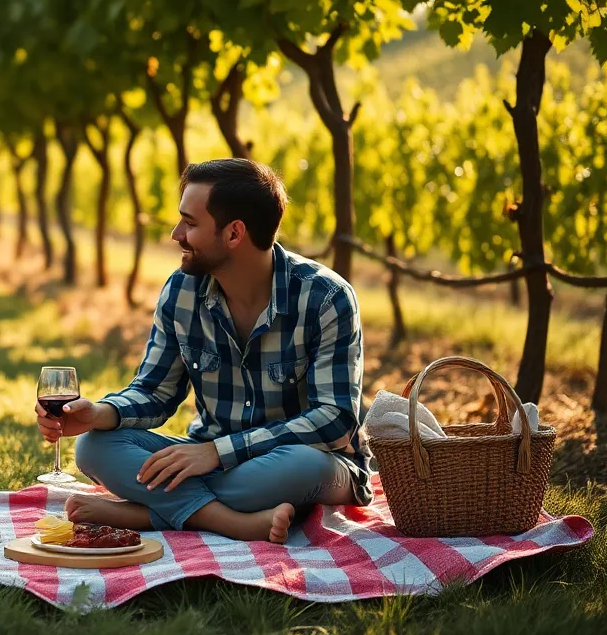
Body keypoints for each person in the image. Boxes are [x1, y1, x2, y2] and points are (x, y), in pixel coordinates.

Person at [36, 158, 371, 543]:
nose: (176, 234)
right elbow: (155, 391)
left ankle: (147, 513)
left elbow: (334, 420)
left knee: (301, 467)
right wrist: (101, 413)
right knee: (94, 446)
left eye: (190, 224)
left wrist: (218, 452)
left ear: (234, 233)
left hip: (304, 460)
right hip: (208, 456)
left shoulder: (326, 297)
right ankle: (230, 520)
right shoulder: (182, 291)